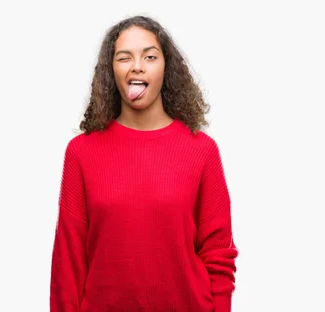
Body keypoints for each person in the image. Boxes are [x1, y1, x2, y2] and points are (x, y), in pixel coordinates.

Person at [49, 15, 238, 312]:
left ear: (166, 68)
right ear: (112, 70)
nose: (137, 65)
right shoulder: (81, 153)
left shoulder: (202, 151)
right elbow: (68, 263)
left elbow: (218, 255)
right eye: (125, 57)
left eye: (149, 56)